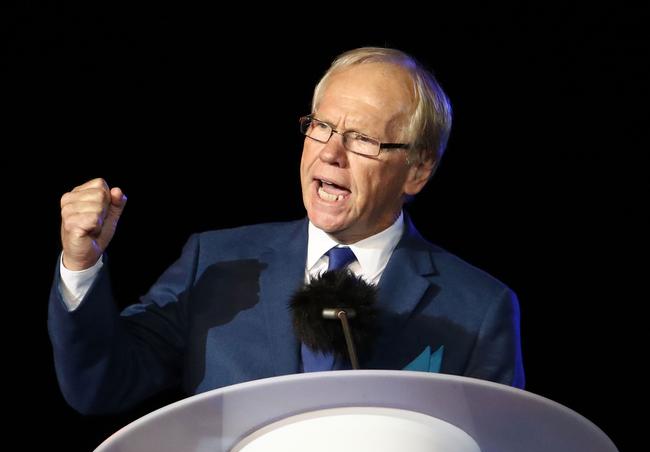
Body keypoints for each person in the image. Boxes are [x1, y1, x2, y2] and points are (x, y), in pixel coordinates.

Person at [49, 47, 525, 415]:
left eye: (361, 138)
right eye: (321, 126)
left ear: (417, 170)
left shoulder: (478, 309)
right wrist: (81, 264)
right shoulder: (216, 263)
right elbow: (100, 384)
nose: (331, 153)